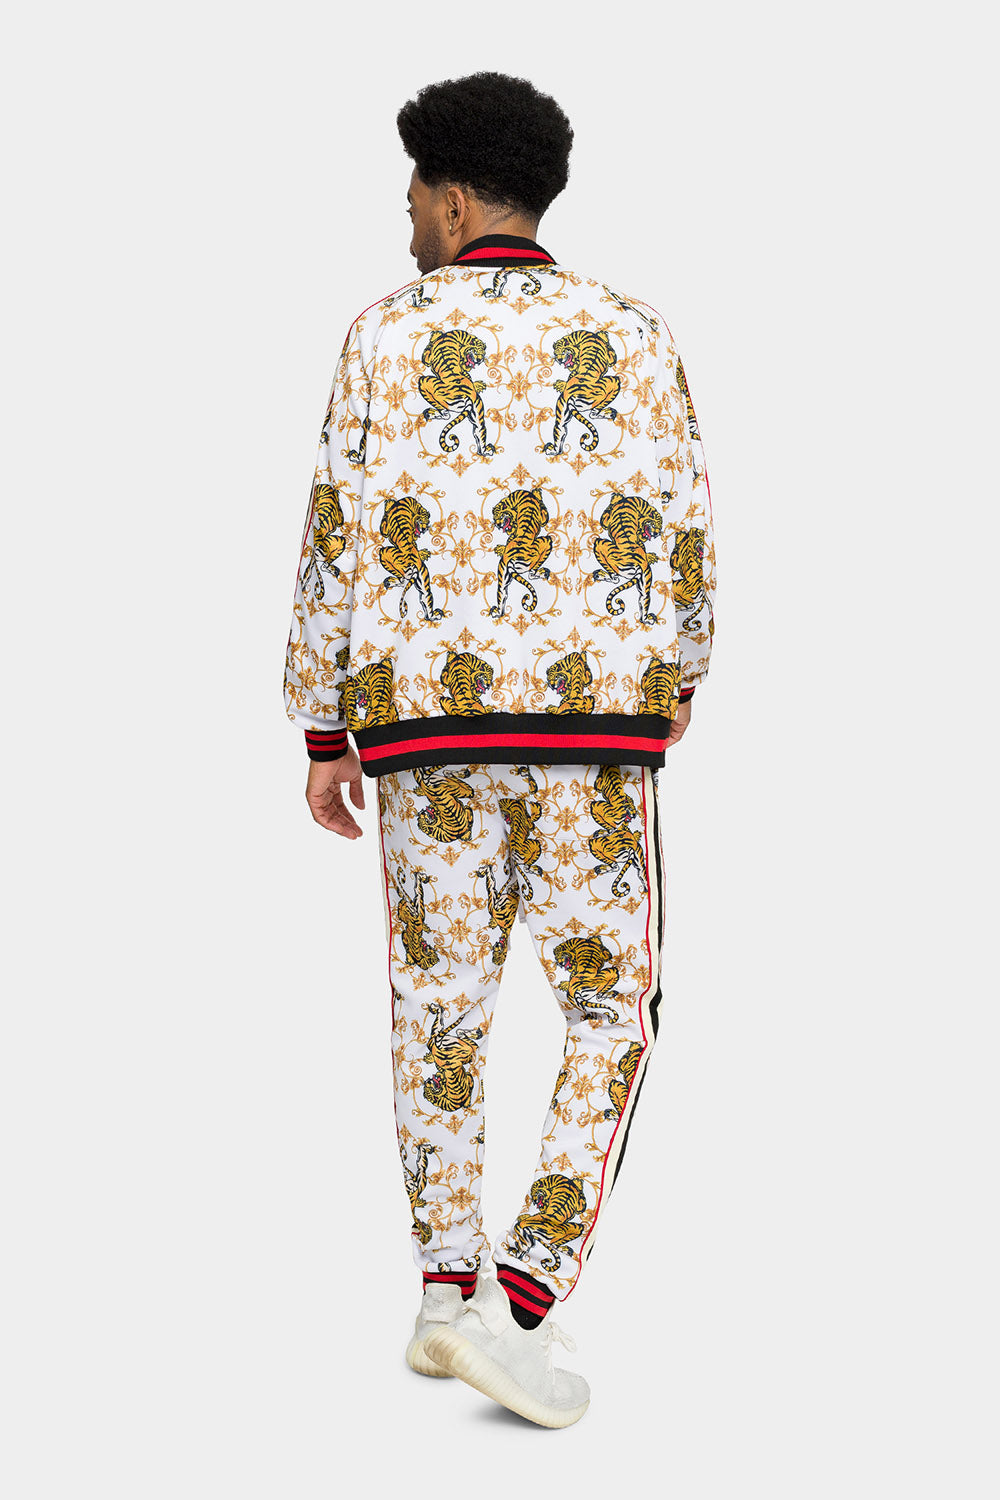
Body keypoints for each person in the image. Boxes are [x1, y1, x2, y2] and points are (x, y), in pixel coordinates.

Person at [282, 70, 716, 1429]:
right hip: (593, 734)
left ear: (457, 198)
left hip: (425, 736)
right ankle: (518, 1303)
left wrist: (323, 727)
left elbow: (335, 529)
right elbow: (684, 518)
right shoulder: (634, 334)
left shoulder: (381, 333)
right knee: (610, 1011)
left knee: (439, 1009)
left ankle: (445, 1296)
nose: (407, 216)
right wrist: (680, 674)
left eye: (415, 193)